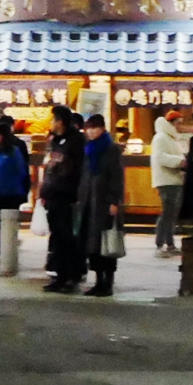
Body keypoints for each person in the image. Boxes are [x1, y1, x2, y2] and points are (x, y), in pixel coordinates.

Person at [75, 112, 127, 297]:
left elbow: (117, 176)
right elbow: (84, 175)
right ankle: (98, 281)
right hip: (90, 202)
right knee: (93, 245)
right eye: (88, 129)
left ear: (102, 128)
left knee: (106, 242)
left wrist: (115, 200)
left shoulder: (111, 148)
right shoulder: (89, 149)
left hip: (105, 202)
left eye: (93, 128)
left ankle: (108, 282)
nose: (90, 132)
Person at [39, 106, 86, 293]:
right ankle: (59, 275)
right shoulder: (55, 141)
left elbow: (77, 170)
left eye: (53, 120)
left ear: (61, 121)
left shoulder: (76, 141)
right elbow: (50, 168)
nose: (51, 123)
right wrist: (44, 192)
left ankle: (72, 276)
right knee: (57, 237)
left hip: (68, 196)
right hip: (53, 195)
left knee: (69, 238)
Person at [0, 123, 32, 254]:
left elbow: (21, 172)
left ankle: (8, 246)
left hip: (11, 193)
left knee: (9, 221)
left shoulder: (13, 151)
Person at [149, 110, 187, 256]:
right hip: (166, 180)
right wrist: (180, 162)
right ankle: (162, 243)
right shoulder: (161, 137)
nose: (179, 126)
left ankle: (168, 243)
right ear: (171, 123)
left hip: (173, 179)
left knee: (171, 213)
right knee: (168, 212)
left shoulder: (171, 138)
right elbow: (160, 157)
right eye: (178, 123)